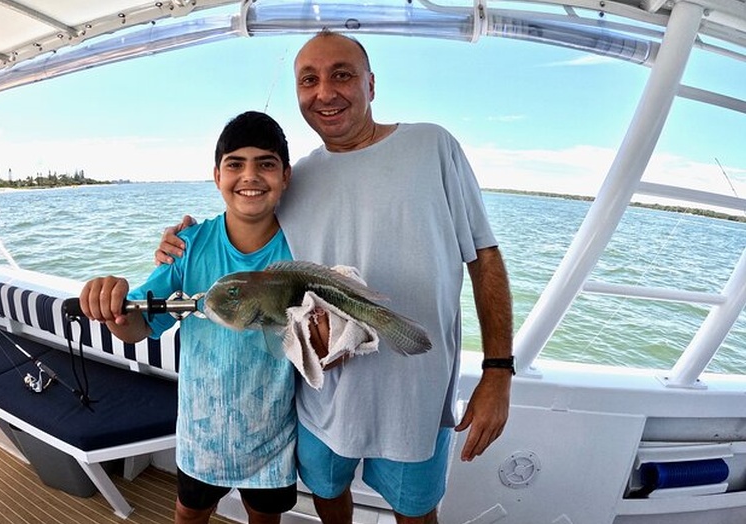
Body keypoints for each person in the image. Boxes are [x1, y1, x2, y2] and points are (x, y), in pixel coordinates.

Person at [156, 30, 513, 524]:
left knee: (416, 511)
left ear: (371, 83)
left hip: (415, 394)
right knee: (328, 494)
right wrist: (182, 239)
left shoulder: (432, 144)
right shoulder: (298, 176)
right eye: (309, 80)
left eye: (341, 74)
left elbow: (485, 258)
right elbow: (250, 221)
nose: (325, 92)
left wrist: (498, 371)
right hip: (325, 396)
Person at [79, 111, 297, 524]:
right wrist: (113, 304)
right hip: (202, 435)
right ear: (216, 176)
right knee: (188, 513)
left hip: (273, 434)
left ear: (285, 175)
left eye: (265, 164)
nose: (249, 176)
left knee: (265, 518)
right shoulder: (187, 245)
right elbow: (138, 325)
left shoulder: (302, 245)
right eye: (235, 164)